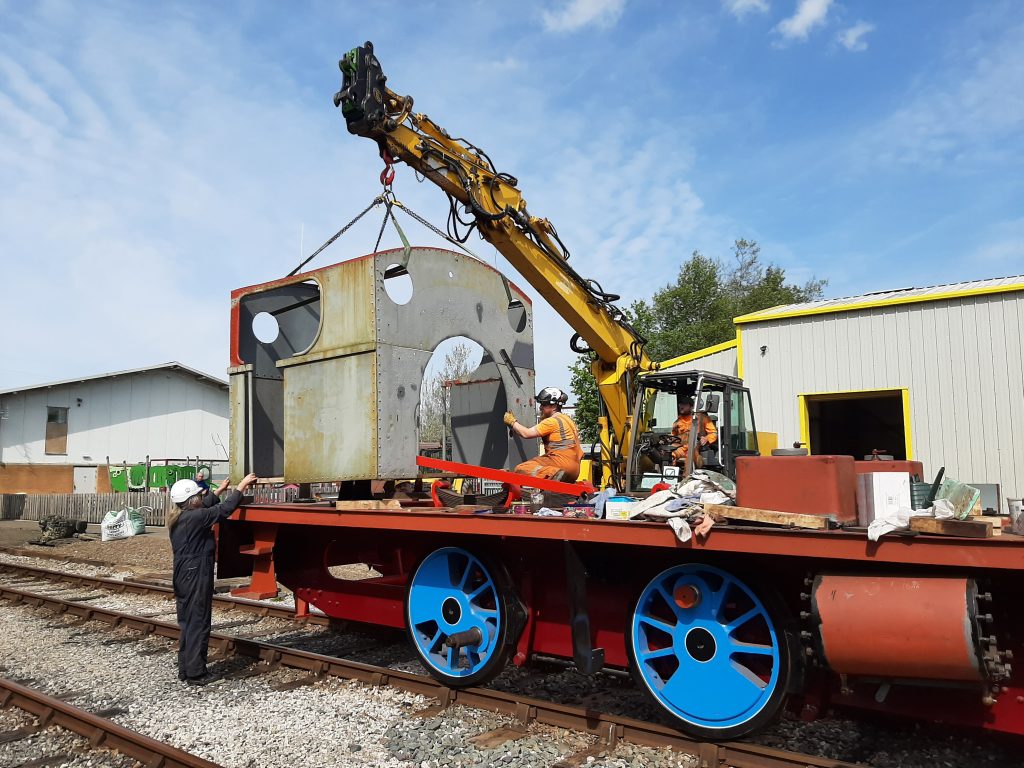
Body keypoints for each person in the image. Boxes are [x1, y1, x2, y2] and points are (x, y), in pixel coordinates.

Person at [168, 471, 257, 685]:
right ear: (192, 500)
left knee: (188, 622)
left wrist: (219, 491)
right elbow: (223, 510)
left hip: (183, 573)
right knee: (199, 621)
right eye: (199, 495)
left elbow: (207, 504)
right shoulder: (196, 518)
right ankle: (197, 673)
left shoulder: (180, 516)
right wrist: (241, 487)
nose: (203, 496)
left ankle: (186, 669)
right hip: (196, 571)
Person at [503, 387, 583, 482]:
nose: (540, 407)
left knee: (522, 468)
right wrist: (516, 429)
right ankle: (555, 476)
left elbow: (526, 434)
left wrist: (512, 422)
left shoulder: (551, 422)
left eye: (544, 405)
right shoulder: (567, 420)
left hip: (561, 464)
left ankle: (554, 473)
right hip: (575, 469)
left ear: (554, 406)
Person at [670, 397, 717, 468]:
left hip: (696, 448)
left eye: (684, 404)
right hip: (682, 449)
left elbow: (713, 433)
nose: (681, 406)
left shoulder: (702, 418)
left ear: (691, 407)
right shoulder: (677, 422)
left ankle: (688, 476)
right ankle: (670, 476)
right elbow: (673, 437)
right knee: (669, 453)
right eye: (680, 404)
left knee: (691, 458)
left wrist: (706, 438)